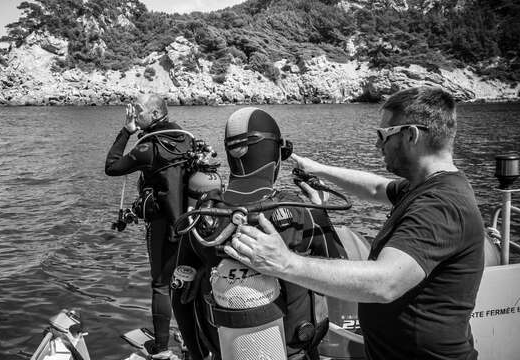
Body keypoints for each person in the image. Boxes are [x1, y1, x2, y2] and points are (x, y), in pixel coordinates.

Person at [225, 87, 485, 360]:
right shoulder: (427, 185)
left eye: (383, 135)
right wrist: (318, 168)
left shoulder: (441, 206)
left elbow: (385, 283)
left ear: (411, 135)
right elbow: (375, 189)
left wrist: (284, 262)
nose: (377, 145)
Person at [172, 107, 345, 360]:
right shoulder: (302, 211)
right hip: (294, 351)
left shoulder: (204, 213)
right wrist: (320, 211)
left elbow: (180, 290)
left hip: (223, 350)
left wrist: (197, 355)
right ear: (276, 154)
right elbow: (342, 275)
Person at [105, 93, 192, 359]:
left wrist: (126, 131)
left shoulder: (148, 147)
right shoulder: (185, 138)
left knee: (161, 285)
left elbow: (111, 166)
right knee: (187, 279)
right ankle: (191, 340)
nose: (134, 114)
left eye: (139, 111)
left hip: (163, 224)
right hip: (191, 222)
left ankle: (162, 348)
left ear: (155, 115)